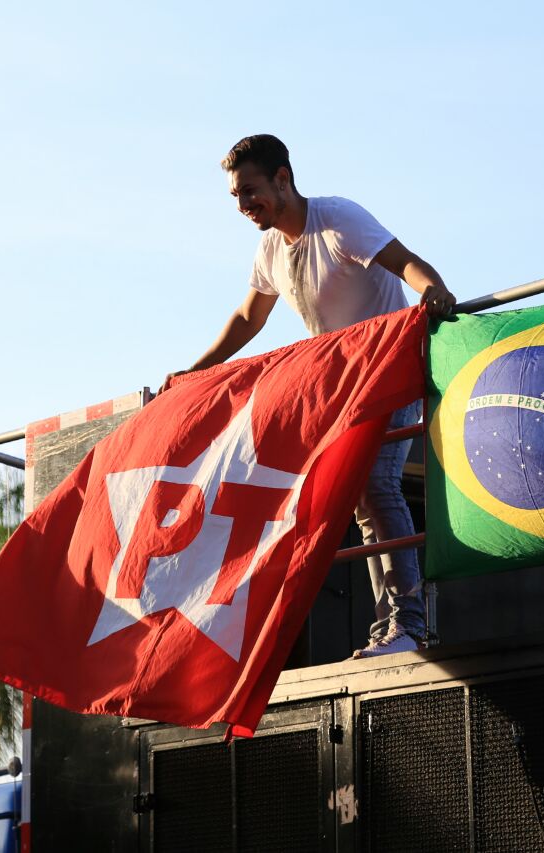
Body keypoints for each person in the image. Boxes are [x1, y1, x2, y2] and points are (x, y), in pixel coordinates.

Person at [162, 134, 455, 657]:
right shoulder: (272, 247)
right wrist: (195, 371)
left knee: (377, 488)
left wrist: (431, 288)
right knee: (361, 502)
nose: (243, 205)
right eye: (235, 196)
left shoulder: (338, 218)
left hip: (391, 371)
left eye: (249, 191)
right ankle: (392, 627)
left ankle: (411, 626)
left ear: (282, 179)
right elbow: (249, 317)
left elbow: (407, 262)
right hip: (343, 388)